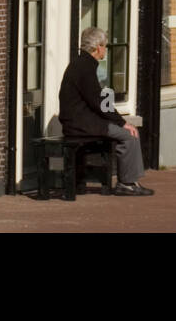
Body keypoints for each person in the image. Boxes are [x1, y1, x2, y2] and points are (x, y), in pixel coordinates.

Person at [58, 27, 154, 196]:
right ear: (98, 47)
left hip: (80, 121)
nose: (106, 49)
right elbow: (101, 102)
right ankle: (127, 183)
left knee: (127, 132)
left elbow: (98, 101)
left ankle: (128, 181)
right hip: (82, 124)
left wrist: (117, 120)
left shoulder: (81, 64)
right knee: (130, 135)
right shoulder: (85, 67)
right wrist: (123, 122)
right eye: (105, 46)